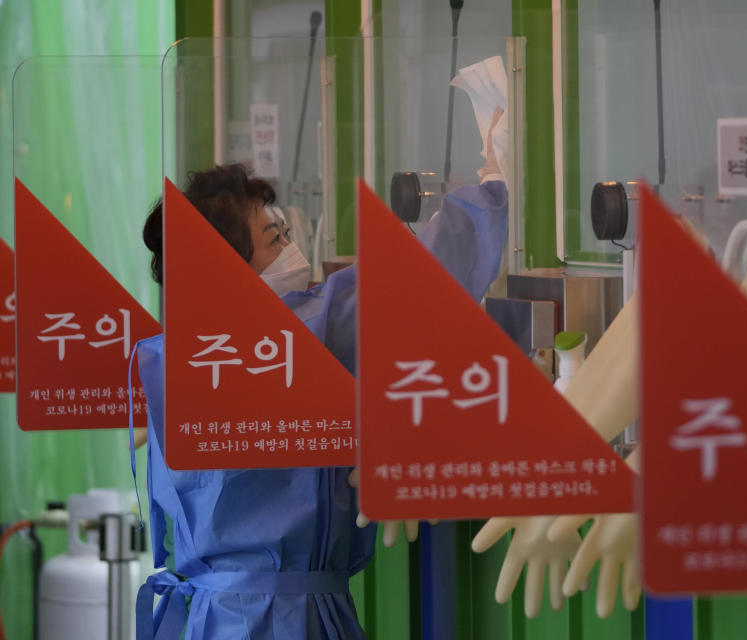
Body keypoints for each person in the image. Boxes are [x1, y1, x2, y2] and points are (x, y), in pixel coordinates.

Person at [135, 141, 507, 637]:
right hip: (286, 619)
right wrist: (493, 184)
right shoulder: (303, 334)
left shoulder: (171, 354)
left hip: (205, 618)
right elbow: (419, 276)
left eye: (286, 230)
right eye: (274, 238)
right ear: (227, 269)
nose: (291, 246)